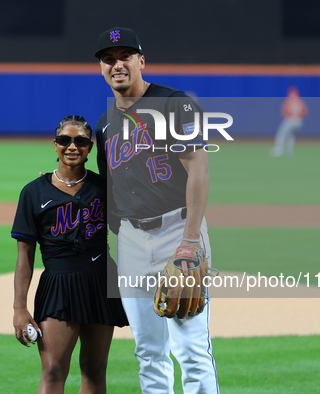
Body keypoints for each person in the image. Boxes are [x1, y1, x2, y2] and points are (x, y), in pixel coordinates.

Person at [94, 27, 219, 393]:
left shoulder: (173, 103)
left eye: (125, 56)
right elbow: (108, 191)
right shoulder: (104, 124)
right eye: (109, 59)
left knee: (192, 349)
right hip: (132, 239)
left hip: (178, 231)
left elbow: (199, 168)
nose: (117, 64)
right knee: (148, 350)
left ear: (141, 61)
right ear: (101, 68)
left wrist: (190, 241)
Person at [11, 115, 128, 394]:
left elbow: (132, 229)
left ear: (90, 148)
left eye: (81, 141)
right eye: (65, 140)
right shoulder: (33, 192)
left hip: (101, 281)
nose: (72, 146)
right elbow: (24, 256)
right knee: (52, 369)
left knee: (94, 369)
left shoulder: (105, 188)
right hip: (58, 285)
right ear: (55, 145)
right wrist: (19, 308)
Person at [271, 86, 308, 157]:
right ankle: (290, 152)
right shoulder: (300, 102)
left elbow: (284, 112)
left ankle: (279, 150)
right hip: (299, 121)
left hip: (290, 120)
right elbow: (306, 112)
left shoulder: (289, 100)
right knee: (291, 135)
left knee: (281, 134)